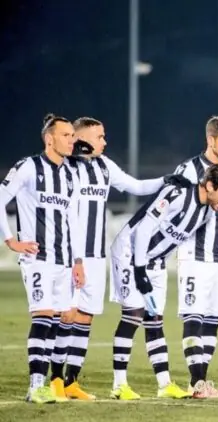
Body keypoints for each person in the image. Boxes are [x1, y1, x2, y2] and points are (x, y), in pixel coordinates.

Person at [41, 116, 166, 401]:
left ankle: (72, 381)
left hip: (97, 255)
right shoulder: (67, 168)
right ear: (81, 138)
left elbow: (134, 186)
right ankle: (55, 380)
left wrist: (166, 181)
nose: (104, 142)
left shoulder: (104, 165)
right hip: (72, 254)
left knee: (85, 317)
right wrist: (76, 260)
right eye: (99, 137)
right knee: (67, 315)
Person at [108, 163, 218, 400]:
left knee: (155, 319)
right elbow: (145, 227)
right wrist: (139, 268)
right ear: (210, 185)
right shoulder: (178, 195)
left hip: (156, 261)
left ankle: (165, 384)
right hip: (130, 252)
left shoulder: (209, 210)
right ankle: (119, 385)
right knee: (133, 315)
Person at [0, 113, 85, 403]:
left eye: (72, 136)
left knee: (66, 319)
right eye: (66, 136)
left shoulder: (70, 175)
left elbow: (72, 220)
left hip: (64, 260)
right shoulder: (28, 167)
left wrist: (77, 261)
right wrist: (10, 239)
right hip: (38, 258)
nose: (71, 141)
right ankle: (35, 386)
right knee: (44, 315)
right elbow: (1, 197)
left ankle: (54, 385)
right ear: (50, 139)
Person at [173, 116, 218, 397]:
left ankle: (198, 382)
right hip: (194, 256)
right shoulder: (188, 170)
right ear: (210, 140)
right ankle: (198, 382)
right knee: (194, 317)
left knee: (213, 320)